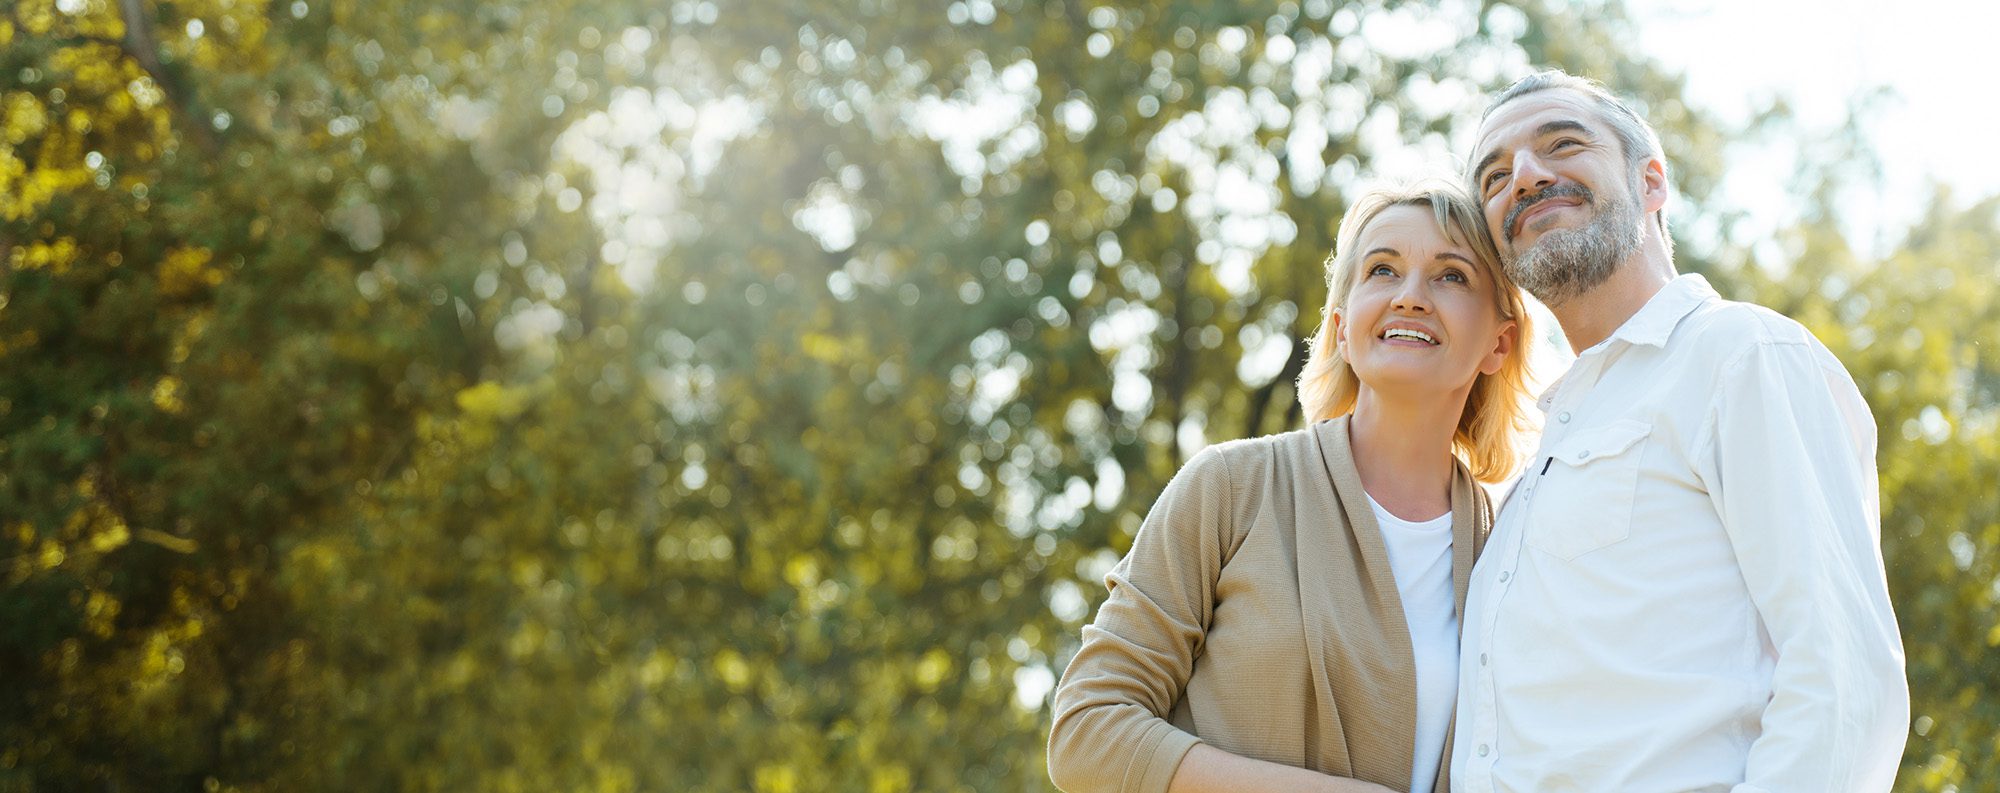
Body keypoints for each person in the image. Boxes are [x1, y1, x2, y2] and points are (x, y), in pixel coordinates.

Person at [1449, 69, 1909, 792]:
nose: (1526, 177)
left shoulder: (1742, 354)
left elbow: (1843, 678)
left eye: (1561, 144)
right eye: (1494, 177)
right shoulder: (1534, 461)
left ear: (1652, 182)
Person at [1048, 179, 1535, 793]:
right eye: (1382, 270)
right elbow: (1086, 731)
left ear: (1499, 342)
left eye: (1452, 276)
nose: (1410, 297)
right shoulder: (1231, 488)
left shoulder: (1512, 548)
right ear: (1340, 325)